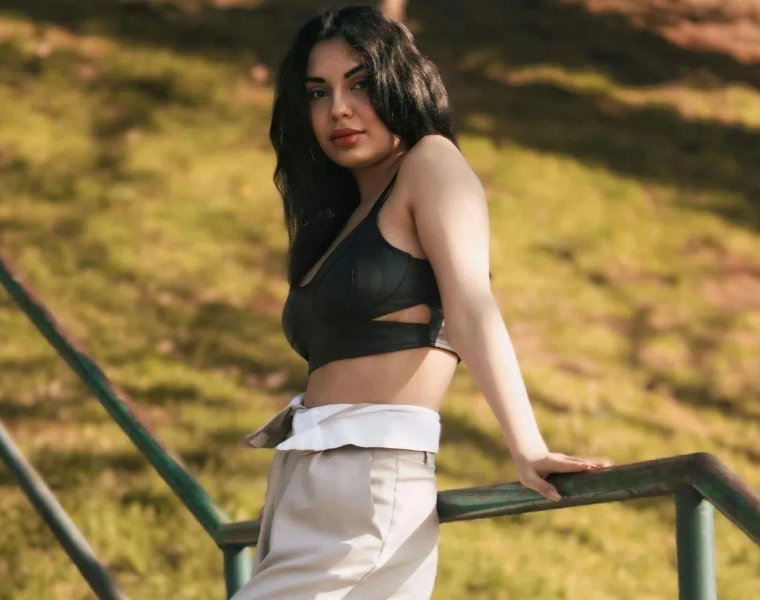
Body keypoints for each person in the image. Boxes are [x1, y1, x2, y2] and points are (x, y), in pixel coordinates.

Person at [234, 6, 612, 599]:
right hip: (303, 480)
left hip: (367, 482)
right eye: (318, 92)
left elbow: (472, 307)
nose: (338, 108)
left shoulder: (430, 163)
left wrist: (527, 447)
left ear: (399, 83)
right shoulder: (338, 218)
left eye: (359, 83)